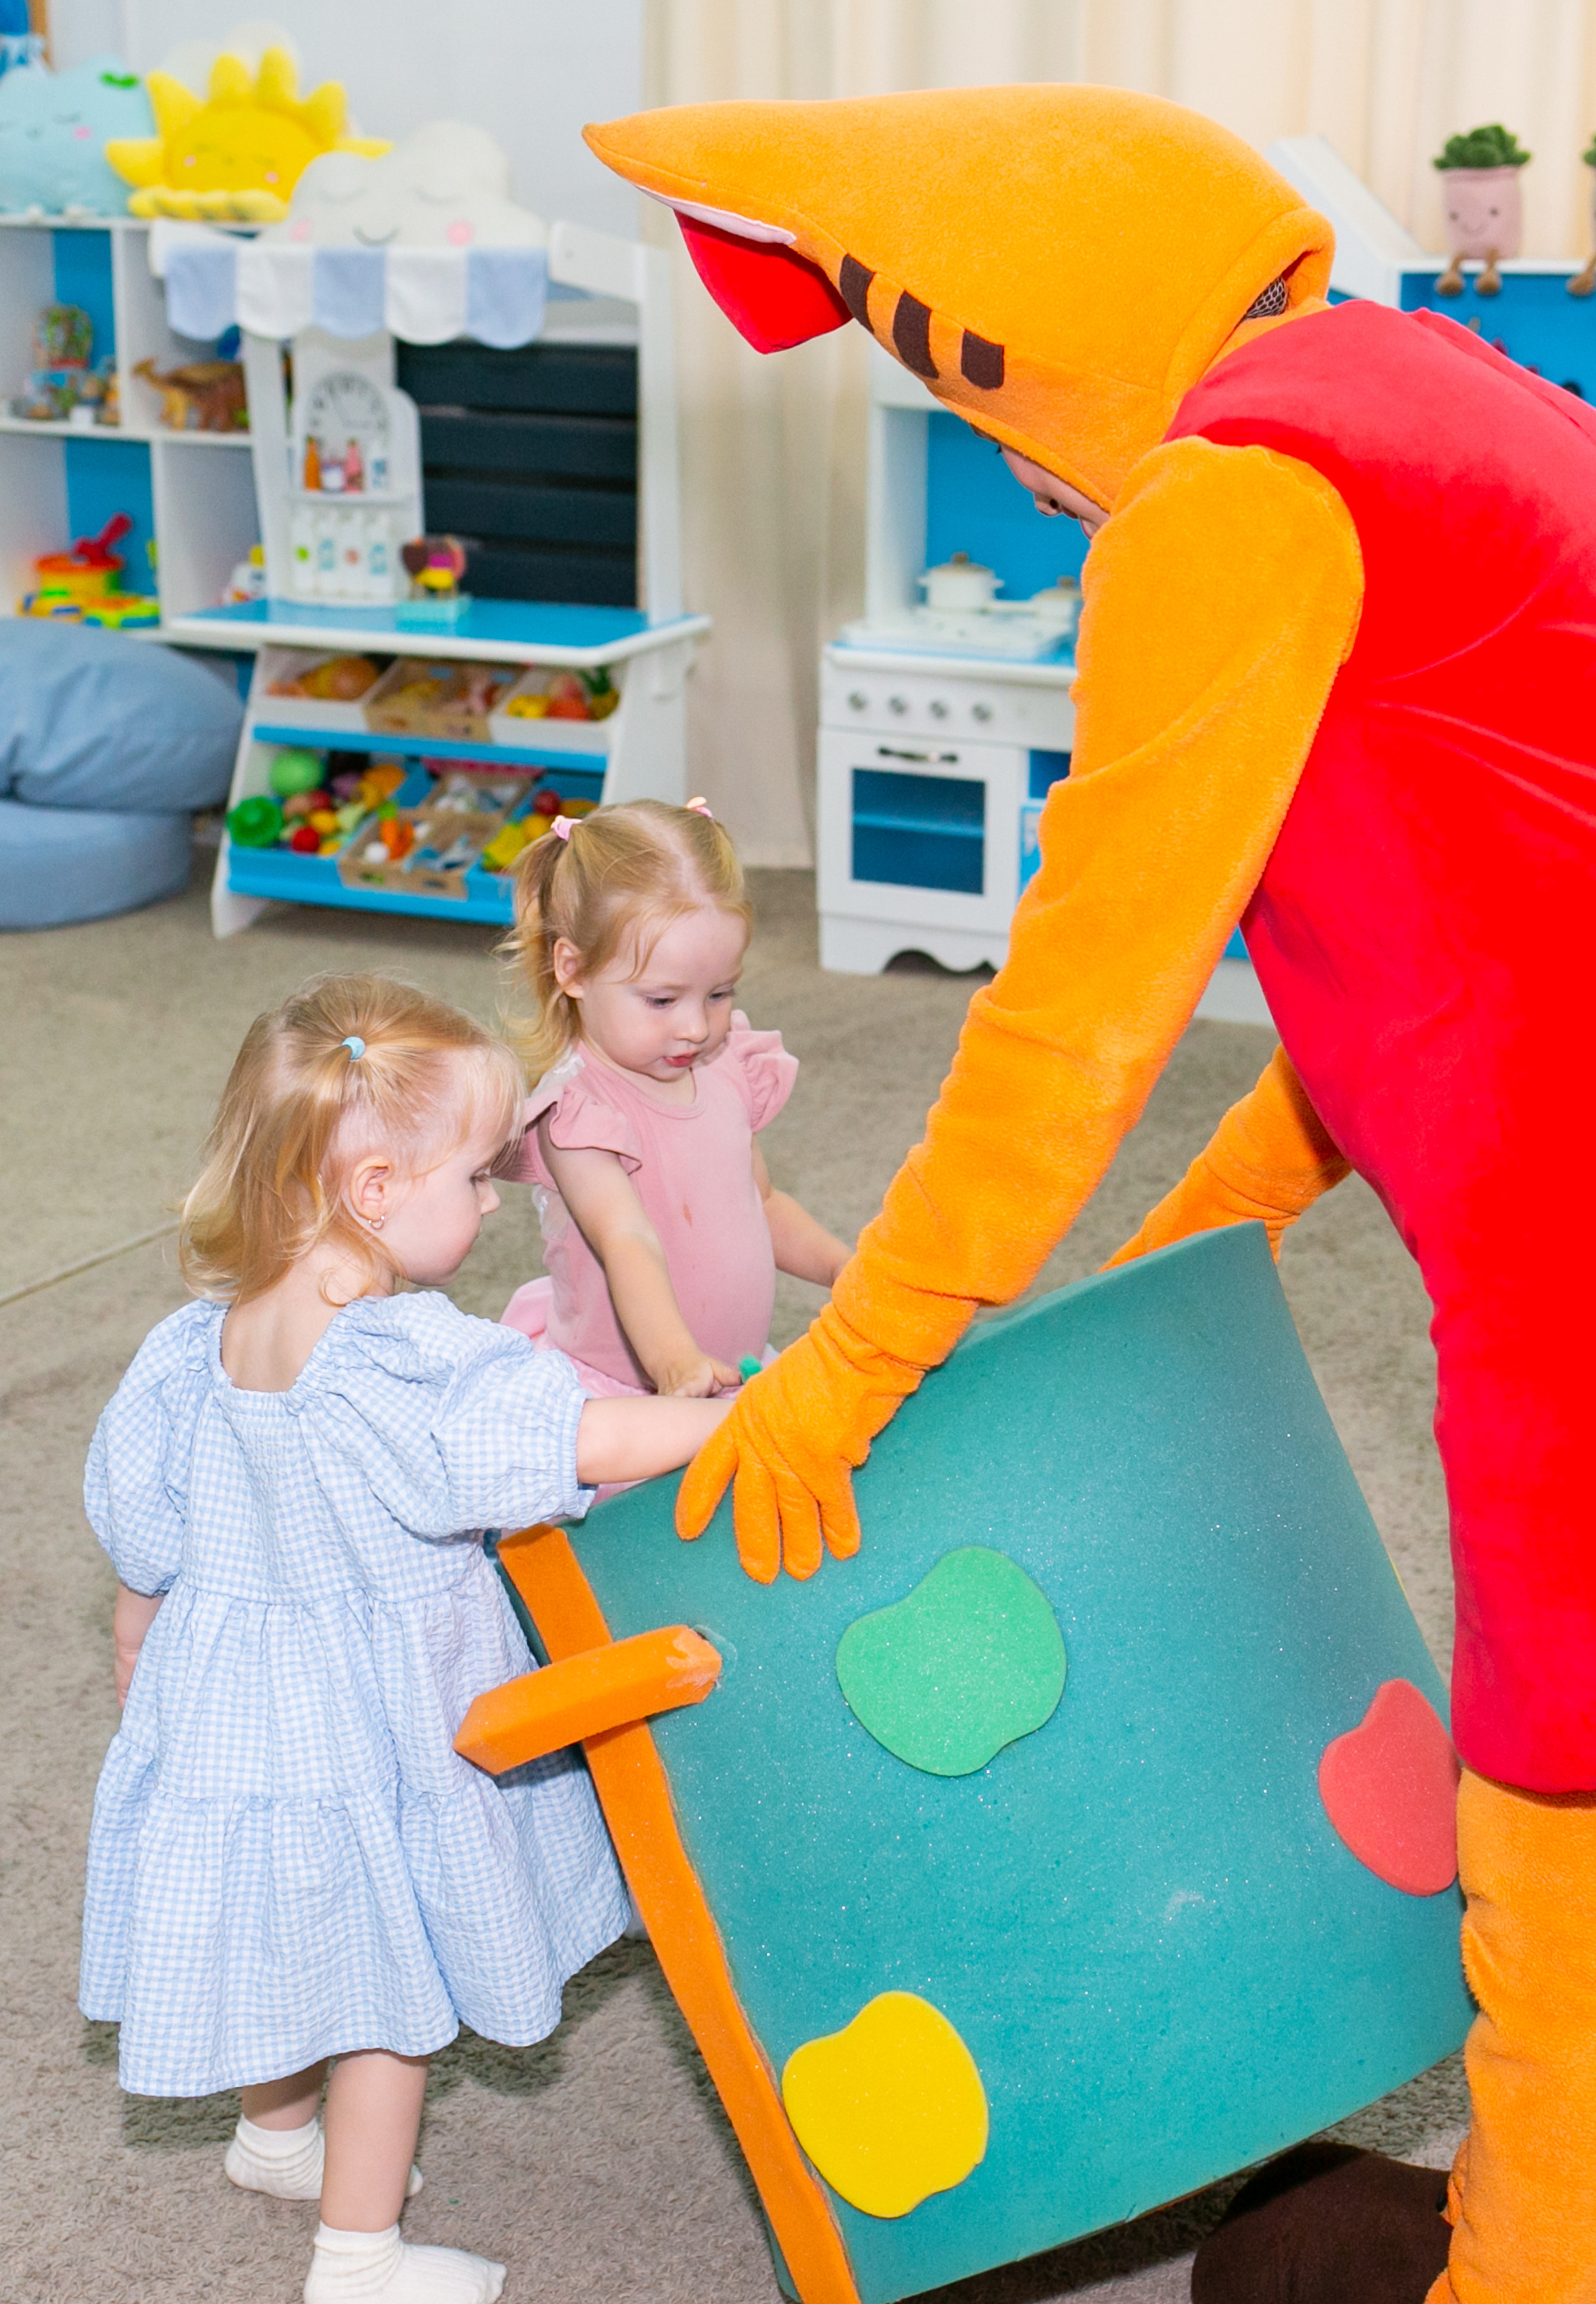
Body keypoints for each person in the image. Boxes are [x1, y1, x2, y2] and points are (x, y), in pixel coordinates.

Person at [582, 84, 1596, 2304]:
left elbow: (1070, 1021)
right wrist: (1188, 1256)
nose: (1031, 485)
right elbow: (1442, 940)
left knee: (1550, 1802)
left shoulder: (1226, 500)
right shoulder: (1421, 379)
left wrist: (852, 1367)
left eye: (979, 397)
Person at [81, 973, 729, 2304]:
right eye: (477, 1176)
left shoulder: (196, 1342)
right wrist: (735, 1423)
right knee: (386, 1983)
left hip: (238, 1707)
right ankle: (359, 2256)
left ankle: (275, 2138)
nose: (492, 1204)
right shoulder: (397, 1360)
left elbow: (141, 1524)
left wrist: (140, 1637)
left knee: (287, 1921)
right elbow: (576, 1440)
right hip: (368, 1720)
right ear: (374, 1188)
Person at [499, 797, 850, 1403]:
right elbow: (626, 1239)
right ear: (573, 970)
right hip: (624, 1387)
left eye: (719, 993)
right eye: (662, 1000)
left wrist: (843, 1267)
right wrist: (674, 1363)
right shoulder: (578, 1114)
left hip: (726, 1369)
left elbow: (763, 1202)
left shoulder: (726, 1066)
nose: (695, 1027)